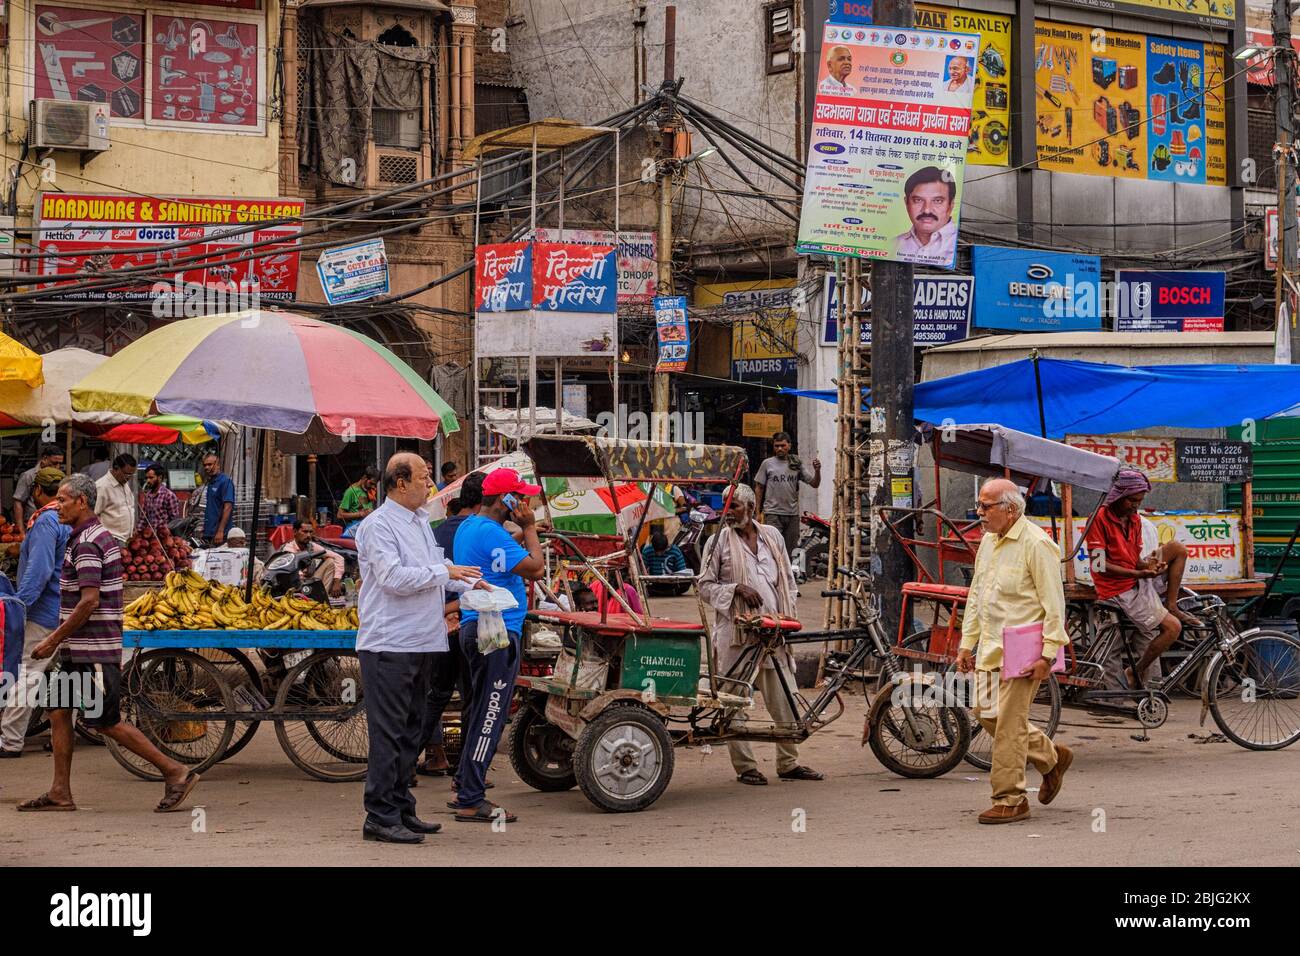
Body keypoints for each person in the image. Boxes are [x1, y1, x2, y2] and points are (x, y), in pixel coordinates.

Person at [19, 474, 200, 813]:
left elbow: (89, 601)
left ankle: (175, 771)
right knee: (58, 710)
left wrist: (51, 641)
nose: (57, 505)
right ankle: (60, 791)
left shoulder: (88, 542)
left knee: (105, 721)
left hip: (93, 651)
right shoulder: (89, 536)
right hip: (78, 651)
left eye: (62, 499)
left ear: (81, 502)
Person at [354, 453, 482, 844]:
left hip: (422, 640)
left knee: (412, 730)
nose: (431, 485)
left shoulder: (421, 522)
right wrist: (446, 573)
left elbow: (437, 566)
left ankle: (401, 807)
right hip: (388, 644)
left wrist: (471, 584)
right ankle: (379, 815)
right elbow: (393, 577)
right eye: (425, 478)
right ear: (401, 482)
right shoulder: (377, 526)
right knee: (389, 732)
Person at [956, 478, 1072, 825]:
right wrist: (967, 642)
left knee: (1008, 726)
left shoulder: (1037, 545)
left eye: (986, 506)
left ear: (1011, 509)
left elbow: (1054, 605)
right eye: (980, 505)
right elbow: (978, 595)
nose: (979, 513)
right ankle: (1051, 757)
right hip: (991, 647)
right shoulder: (989, 542)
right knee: (985, 712)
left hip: (1024, 652)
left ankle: (1010, 798)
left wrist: (1048, 655)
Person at [698, 483, 823, 786]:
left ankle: (788, 762)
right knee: (735, 700)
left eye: (735, 507)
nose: (729, 513)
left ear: (752, 507)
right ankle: (745, 767)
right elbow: (704, 585)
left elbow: (788, 582)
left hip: (775, 632)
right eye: (726, 507)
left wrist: (786, 617)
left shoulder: (772, 536)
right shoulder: (717, 542)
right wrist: (735, 588)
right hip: (738, 635)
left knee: (786, 698)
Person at [451, 468, 547, 823]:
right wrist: (532, 529)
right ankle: (471, 798)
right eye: (520, 496)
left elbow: (503, 555)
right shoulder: (492, 533)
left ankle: (464, 782)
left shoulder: (471, 527)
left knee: (477, 710)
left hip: (474, 626)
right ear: (505, 499)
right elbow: (535, 568)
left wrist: (524, 532)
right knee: (490, 714)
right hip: (497, 631)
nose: (524, 502)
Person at [1084, 468, 1193, 688]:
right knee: (1173, 628)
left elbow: (1134, 559)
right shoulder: (1099, 519)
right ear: (1118, 497)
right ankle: (1133, 674)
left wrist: (1150, 566)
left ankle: (1171, 604)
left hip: (1136, 579)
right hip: (1116, 588)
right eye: (1131, 500)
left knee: (1177, 549)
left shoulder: (1134, 520)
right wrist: (1140, 573)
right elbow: (1098, 565)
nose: (1135, 505)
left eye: (1139, 501)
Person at [419, 473, 486, 777]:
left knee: (436, 694)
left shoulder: (435, 533)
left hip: (440, 622)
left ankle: (418, 760)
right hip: (470, 621)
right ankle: (465, 767)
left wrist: (444, 610)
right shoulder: (483, 532)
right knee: (471, 695)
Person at [1, 468, 71, 756]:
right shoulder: (69, 518)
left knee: (27, 673)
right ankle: (61, 735)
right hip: (67, 609)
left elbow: (39, 571)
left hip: (45, 611)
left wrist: (20, 605)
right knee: (65, 673)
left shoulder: (46, 521)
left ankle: (10, 741)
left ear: (38, 492)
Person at [754, 431, 821, 556]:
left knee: (791, 550)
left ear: (789, 446)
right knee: (772, 549)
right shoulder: (767, 464)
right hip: (772, 514)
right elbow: (759, 487)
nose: (779, 448)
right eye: (776, 446)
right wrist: (757, 512)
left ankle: (789, 574)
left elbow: (814, 484)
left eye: (782, 446)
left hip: (792, 514)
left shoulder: (795, 463)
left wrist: (817, 471)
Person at [893, 166, 958, 265]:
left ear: (951, 205)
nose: (927, 210)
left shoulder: (959, 245)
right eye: (918, 200)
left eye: (937, 201)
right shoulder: (893, 245)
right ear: (906, 203)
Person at [283, 519, 345, 597]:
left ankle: (322, 598)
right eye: (305, 532)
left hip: (309, 581)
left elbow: (338, 557)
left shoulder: (311, 546)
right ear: (295, 532)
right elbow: (295, 577)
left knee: (330, 561)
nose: (308, 535)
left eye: (310, 532)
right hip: (294, 586)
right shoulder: (288, 550)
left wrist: (337, 581)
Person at [13, 443, 64, 530]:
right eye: (54, 463)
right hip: (32, 523)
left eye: (60, 464)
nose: (57, 467)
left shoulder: (60, 476)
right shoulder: (28, 476)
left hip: (54, 523)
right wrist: (21, 530)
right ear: (44, 459)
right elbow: (18, 502)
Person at [93, 453, 138, 544]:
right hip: (110, 540)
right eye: (126, 474)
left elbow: (129, 507)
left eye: (131, 475)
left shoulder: (124, 484)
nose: (128, 478)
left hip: (126, 539)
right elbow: (93, 515)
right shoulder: (102, 486)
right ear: (116, 468)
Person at [200, 453, 235, 546]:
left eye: (210, 464)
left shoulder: (225, 481)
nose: (207, 467)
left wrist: (220, 531)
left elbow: (228, 507)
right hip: (209, 533)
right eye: (205, 465)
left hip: (220, 534)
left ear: (218, 465)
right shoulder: (210, 482)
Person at [641, 532, 691, 596]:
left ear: (667, 547)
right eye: (656, 551)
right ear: (652, 546)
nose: (659, 554)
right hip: (655, 583)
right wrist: (646, 575)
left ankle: (658, 592)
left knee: (687, 583)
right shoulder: (647, 551)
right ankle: (671, 592)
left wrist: (674, 577)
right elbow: (642, 569)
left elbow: (682, 570)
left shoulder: (675, 550)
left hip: (672, 583)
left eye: (662, 551)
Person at [139, 464, 182, 534]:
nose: (148, 481)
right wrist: (138, 531)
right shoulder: (148, 495)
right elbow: (143, 518)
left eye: (151, 478)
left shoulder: (168, 495)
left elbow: (175, 521)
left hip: (164, 536)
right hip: (150, 536)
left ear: (160, 477)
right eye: (146, 478)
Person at [337, 466, 379, 537]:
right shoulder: (350, 491)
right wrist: (360, 514)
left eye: (374, 484)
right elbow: (339, 515)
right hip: (353, 531)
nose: (373, 487)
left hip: (366, 530)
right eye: (371, 483)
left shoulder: (370, 492)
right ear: (364, 478)